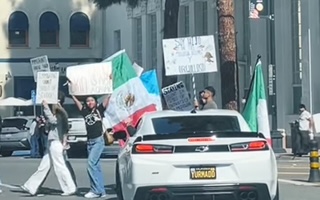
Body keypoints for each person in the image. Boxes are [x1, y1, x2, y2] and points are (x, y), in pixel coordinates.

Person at [21, 100, 76, 196]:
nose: (51, 106)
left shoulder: (60, 114)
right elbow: (49, 127)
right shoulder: (59, 115)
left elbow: (53, 120)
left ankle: (69, 187)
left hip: (56, 143)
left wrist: (46, 108)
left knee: (60, 166)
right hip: (52, 143)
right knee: (44, 166)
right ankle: (31, 186)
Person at [72, 95, 110, 198]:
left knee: (91, 164)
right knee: (96, 166)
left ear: (95, 102)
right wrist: (72, 94)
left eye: (92, 100)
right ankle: (101, 191)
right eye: (88, 101)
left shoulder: (99, 110)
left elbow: (107, 99)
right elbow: (77, 103)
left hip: (98, 140)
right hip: (89, 142)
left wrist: (109, 89)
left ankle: (96, 190)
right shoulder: (85, 112)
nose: (90, 102)